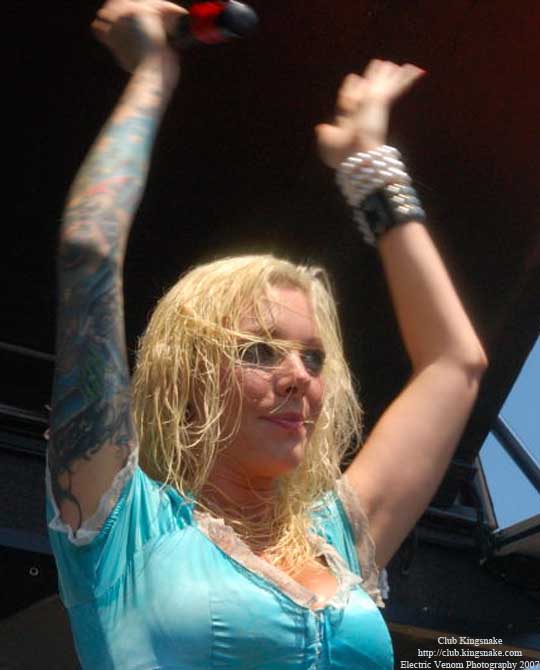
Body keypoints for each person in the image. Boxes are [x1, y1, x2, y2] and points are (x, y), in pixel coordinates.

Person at [46, 1, 489, 668]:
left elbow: (456, 364)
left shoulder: (338, 535)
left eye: (313, 358)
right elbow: (90, 250)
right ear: (190, 377)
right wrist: (153, 72)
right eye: (258, 351)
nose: (298, 377)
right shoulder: (122, 524)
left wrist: (369, 168)